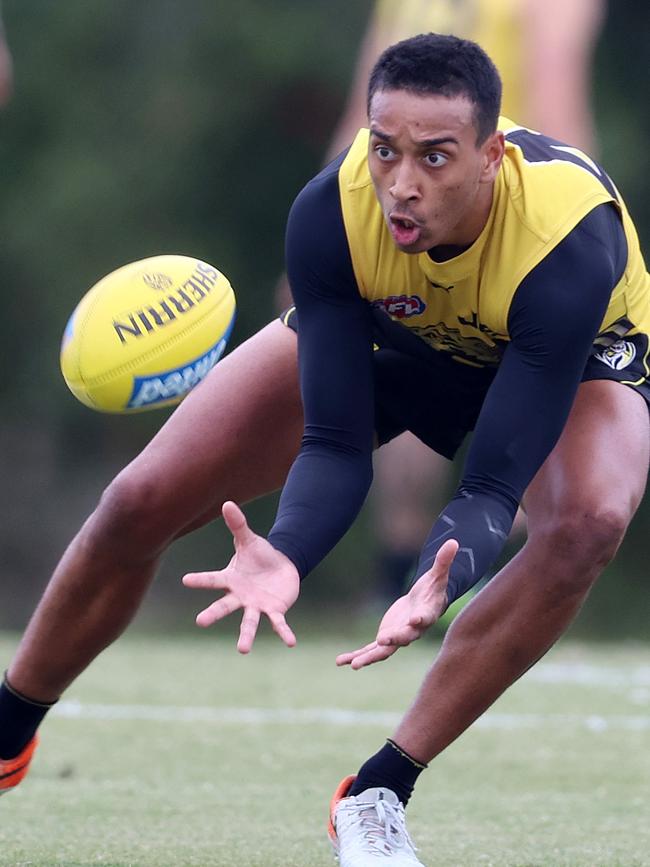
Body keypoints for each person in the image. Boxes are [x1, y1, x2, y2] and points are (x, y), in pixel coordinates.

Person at [1, 31, 648, 867]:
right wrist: (289, 553)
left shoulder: (566, 244)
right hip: (401, 336)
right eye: (385, 150)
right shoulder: (334, 211)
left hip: (556, 359)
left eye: (436, 158)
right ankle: (9, 730)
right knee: (139, 498)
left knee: (591, 518)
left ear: (491, 156)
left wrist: (437, 577)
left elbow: (492, 481)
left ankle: (377, 790)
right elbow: (338, 441)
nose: (402, 185)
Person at [276, 0, 608, 605]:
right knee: (387, 415)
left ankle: (454, 581)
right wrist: (336, 231)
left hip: (514, 225)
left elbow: (556, 97)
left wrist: (568, 238)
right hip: (438, 220)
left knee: (533, 462)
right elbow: (366, 113)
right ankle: (414, 582)